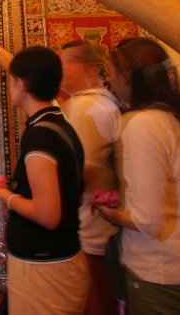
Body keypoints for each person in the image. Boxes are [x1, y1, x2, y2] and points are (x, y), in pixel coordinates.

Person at [98, 37, 180, 314]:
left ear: (128, 76)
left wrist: (110, 214)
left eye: (111, 74)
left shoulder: (143, 124)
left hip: (166, 283)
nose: (110, 83)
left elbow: (148, 221)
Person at [0, 46, 88, 314]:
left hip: (44, 265)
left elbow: (48, 215)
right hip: (56, 259)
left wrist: (0, 193)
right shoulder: (60, 124)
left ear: (22, 84)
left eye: (11, 80)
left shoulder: (40, 135)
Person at [59, 40, 121, 315]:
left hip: (90, 230)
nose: (61, 70)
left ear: (94, 68)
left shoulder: (83, 108)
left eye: (67, 63)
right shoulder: (107, 103)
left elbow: (83, 171)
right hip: (104, 227)